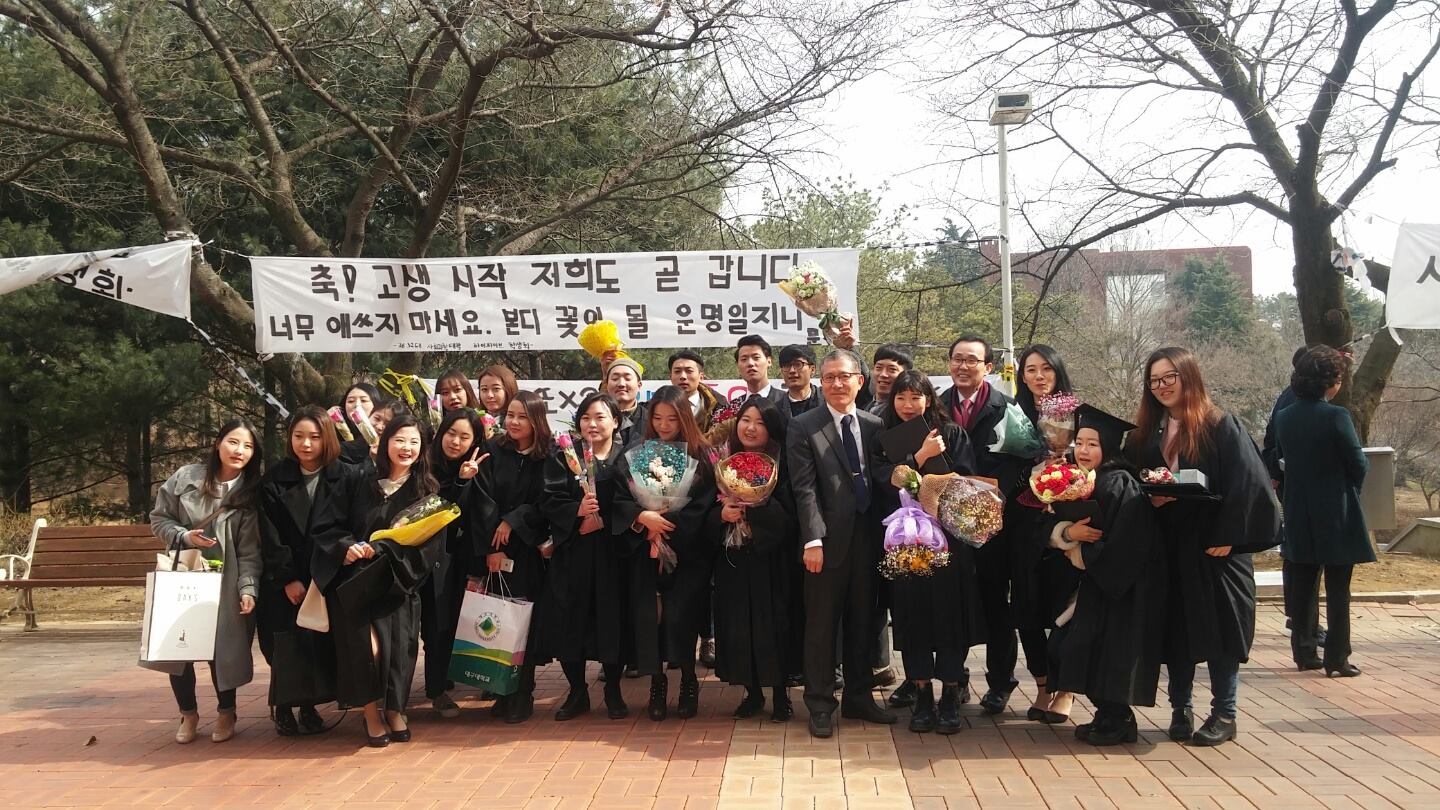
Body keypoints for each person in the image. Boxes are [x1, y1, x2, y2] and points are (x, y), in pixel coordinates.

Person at [1127, 347, 1280, 747]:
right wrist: (1151, 498)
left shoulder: (1220, 425)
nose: (1161, 386)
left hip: (1216, 548)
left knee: (1222, 632)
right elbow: (1130, 481)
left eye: (1169, 377)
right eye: (1154, 380)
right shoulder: (1148, 432)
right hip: (1171, 545)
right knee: (1177, 630)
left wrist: (1229, 537)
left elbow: (1249, 484)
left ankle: (1225, 713)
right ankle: (1181, 709)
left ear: (1189, 377)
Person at [316, 414, 443, 747]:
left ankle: (395, 709)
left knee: (397, 653)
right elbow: (328, 526)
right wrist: (345, 547)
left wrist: (383, 548)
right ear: (385, 442)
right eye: (399, 439)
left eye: (414, 442)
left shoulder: (426, 492)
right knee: (366, 650)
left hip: (396, 583)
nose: (406, 448)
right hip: (356, 583)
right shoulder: (358, 480)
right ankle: (371, 713)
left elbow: (428, 546)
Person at [788, 349, 896, 738]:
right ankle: (819, 702)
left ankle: (859, 697)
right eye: (829, 377)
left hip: (868, 537)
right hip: (827, 541)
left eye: (844, 376)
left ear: (859, 381)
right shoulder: (804, 426)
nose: (837, 384)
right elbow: (804, 489)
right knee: (821, 625)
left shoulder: (873, 424)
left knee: (863, 621)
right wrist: (813, 540)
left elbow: (883, 477)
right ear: (821, 381)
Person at [1045, 405, 1166, 746]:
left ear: (1109, 447)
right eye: (1080, 443)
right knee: (1072, 648)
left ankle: (1118, 718)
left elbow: (1128, 541)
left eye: (1092, 444)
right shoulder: (1079, 481)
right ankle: (1108, 715)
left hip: (1120, 588)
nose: (1083, 451)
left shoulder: (1119, 483)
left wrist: (1083, 553)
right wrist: (1067, 533)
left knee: (1106, 653)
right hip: (1097, 584)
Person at [878, 371, 984, 734]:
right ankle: (922, 693)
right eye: (901, 398)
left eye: (915, 397)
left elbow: (967, 483)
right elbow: (882, 482)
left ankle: (950, 693)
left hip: (949, 542)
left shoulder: (951, 434)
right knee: (912, 617)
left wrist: (931, 479)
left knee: (950, 617)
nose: (908, 405)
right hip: (905, 541)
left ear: (929, 399)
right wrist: (920, 457)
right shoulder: (883, 437)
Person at [148, 419, 264, 744]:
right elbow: (159, 519)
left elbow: (251, 549)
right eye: (233, 442)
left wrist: (248, 588)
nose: (239, 450)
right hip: (185, 574)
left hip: (227, 579)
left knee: (222, 648)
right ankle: (188, 713)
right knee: (178, 646)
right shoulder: (186, 477)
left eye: (248, 446)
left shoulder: (251, 494)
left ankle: (227, 712)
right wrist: (184, 536)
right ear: (218, 443)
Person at [611, 385, 717, 720]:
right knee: (650, 618)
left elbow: (705, 506)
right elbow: (621, 498)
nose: (664, 425)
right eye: (657, 418)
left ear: (685, 417)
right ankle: (656, 683)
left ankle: (688, 680)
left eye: (672, 418)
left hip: (688, 554)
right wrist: (643, 518)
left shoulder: (702, 456)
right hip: (645, 551)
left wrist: (667, 525)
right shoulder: (636, 452)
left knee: (681, 616)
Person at [938, 335, 1026, 716]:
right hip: (947, 523)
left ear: (988, 367)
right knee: (953, 602)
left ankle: (1000, 682)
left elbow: (1023, 458)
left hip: (993, 522)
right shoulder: (936, 406)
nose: (962, 366)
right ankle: (955, 680)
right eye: (957, 359)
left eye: (971, 360)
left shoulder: (1007, 408)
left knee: (995, 602)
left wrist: (990, 497)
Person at [257, 407, 356, 737]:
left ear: (327, 438)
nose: (306, 444)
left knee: (317, 642)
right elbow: (270, 535)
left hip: (327, 574)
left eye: (314, 437)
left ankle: (309, 706)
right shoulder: (274, 479)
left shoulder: (345, 476)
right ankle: (283, 707)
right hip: (287, 577)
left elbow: (351, 525)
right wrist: (288, 577)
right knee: (285, 645)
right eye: (299, 436)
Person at [1274, 346, 1371, 678]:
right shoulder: (1336, 416)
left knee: (1303, 584)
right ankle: (1337, 657)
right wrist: (1349, 488)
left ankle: (1304, 652)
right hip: (1335, 508)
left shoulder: (1285, 417)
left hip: (1299, 507)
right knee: (1338, 588)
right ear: (1330, 382)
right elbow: (1357, 462)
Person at [536, 393, 631, 720]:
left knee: (613, 620)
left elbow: (635, 502)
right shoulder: (564, 456)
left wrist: (604, 520)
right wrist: (576, 512)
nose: (592, 424)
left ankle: (613, 689)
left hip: (614, 553)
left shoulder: (627, 457)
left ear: (615, 421)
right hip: (574, 550)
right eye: (586, 417)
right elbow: (548, 499)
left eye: (600, 417)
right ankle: (577, 690)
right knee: (569, 620)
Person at [708, 395, 796, 722]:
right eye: (746, 420)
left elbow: (792, 511)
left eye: (760, 422)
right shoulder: (723, 461)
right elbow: (703, 508)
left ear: (772, 427)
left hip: (772, 560)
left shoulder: (784, 462)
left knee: (775, 626)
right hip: (735, 560)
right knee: (739, 627)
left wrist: (756, 509)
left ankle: (781, 695)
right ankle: (752, 692)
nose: (751, 428)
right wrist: (722, 514)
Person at [1011, 344, 1082, 724]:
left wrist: (1067, 466)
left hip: (1068, 528)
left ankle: (1066, 689)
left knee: (1063, 612)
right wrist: (1033, 470)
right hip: (1026, 528)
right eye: (1031, 370)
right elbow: (1005, 470)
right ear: (1022, 376)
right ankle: (1042, 686)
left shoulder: (1078, 416)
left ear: (1058, 371)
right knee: (1027, 612)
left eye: (1046, 369)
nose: (1039, 376)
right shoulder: (1015, 417)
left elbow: (1098, 460)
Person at [475, 390, 554, 723]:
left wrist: (514, 519)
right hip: (497, 548)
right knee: (499, 622)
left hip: (529, 549)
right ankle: (502, 689)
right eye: (511, 415)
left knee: (524, 623)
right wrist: (493, 548)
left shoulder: (549, 455)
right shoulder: (493, 450)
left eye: (523, 416)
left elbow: (547, 501)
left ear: (537, 420)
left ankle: (523, 692)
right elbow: (481, 499)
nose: (515, 422)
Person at [421, 409, 492, 718]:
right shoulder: (424, 465)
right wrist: (459, 482)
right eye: (451, 433)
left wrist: (466, 480)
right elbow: (435, 509)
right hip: (424, 558)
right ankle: (434, 689)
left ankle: (443, 686)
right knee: (432, 627)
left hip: (459, 558)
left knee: (449, 624)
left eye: (465, 437)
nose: (455, 441)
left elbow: (472, 514)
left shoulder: (479, 468)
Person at [1262, 345, 1327, 646]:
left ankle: (1301, 618)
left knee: (1298, 554)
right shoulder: (1299, 402)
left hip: (1288, 480)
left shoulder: (1289, 397)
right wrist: (1276, 471)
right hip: (1298, 485)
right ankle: (1303, 622)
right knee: (1302, 556)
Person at [668, 349, 719, 432]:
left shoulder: (719, 407)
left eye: (689, 371)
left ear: (701, 377)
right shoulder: (655, 407)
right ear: (670, 377)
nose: (683, 376)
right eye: (677, 371)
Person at [605, 357, 646, 446]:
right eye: (615, 378)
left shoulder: (651, 420)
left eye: (627, 378)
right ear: (607, 385)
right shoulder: (596, 419)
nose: (621, 384)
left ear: (639, 385)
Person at [772, 344, 822, 418]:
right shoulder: (775, 411)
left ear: (812, 369)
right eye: (787, 366)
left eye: (798, 364)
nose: (792, 370)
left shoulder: (827, 400)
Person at [338, 382, 381, 465]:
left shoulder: (382, 432)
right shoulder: (333, 430)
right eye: (351, 401)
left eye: (364, 400)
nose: (357, 405)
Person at [866, 344, 913, 417]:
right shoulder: (863, 406)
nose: (883, 374)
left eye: (892, 369)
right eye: (878, 368)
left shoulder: (906, 413)